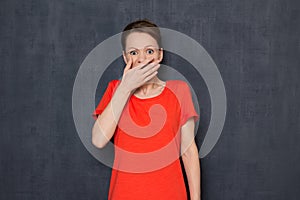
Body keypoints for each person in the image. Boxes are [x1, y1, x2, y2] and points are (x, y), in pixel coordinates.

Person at [92, 19, 201, 200]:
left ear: (159, 55)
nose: (141, 59)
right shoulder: (115, 89)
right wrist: (125, 88)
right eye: (134, 52)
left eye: (149, 51)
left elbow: (189, 151)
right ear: (126, 58)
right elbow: (98, 140)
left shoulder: (179, 91)